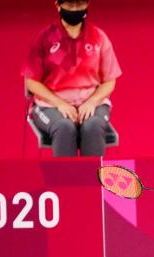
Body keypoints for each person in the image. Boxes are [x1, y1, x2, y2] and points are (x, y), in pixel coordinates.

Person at [22, 0, 122, 157]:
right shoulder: (45, 38)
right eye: (70, 5)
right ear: (58, 5)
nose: (75, 9)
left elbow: (109, 81)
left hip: (92, 103)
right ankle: (64, 181)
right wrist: (60, 104)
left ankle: (93, 181)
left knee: (93, 126)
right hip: (50, 105)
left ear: (88, 5)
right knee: (64, 127)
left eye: (79, 4)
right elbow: (32, 82)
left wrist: (92, 102)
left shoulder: (98, 37)